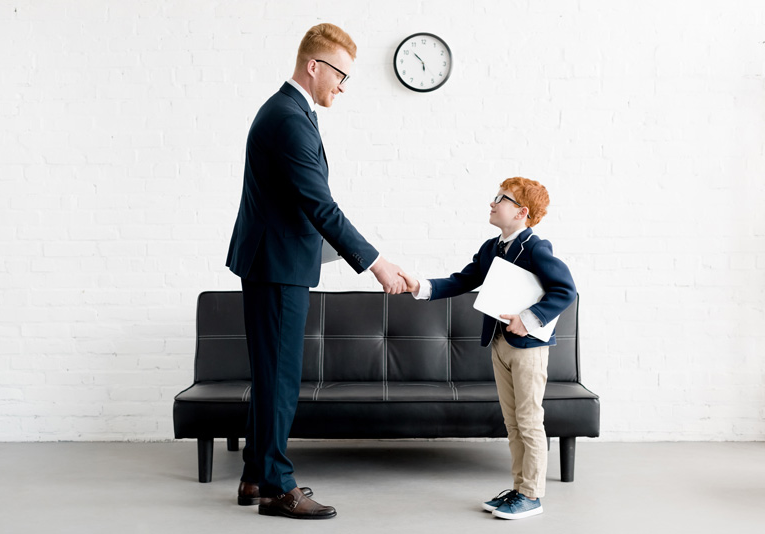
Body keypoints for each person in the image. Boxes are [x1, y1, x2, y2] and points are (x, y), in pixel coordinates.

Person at [225, 23, 407, 520]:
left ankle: (255, 476)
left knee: (271, 375)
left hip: (275, 262)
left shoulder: (289, 111)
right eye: (341, 75)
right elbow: (320, 206)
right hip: (277, 266)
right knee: (281, 379)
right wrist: (376, 263)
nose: (343, 87)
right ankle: (278, 487)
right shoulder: (288, 118)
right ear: (314, 66)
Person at [399, 177, 576, 520]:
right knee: (513, 422)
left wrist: (529, 318)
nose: (493, 203)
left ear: (522, 212)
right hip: (499, 343)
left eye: (502, 198)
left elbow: (565, 290)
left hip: (528, 347)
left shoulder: (536, 248)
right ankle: (519, 489)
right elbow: (463, 280)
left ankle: (532, 495)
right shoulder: (491, 248)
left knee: (529, 420)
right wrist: (419, 286)